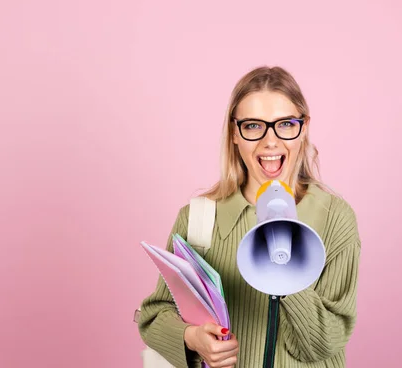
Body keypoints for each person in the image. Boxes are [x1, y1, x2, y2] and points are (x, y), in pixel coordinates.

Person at [138, 66, 361, 368]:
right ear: (234, 133)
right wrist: (192, 338)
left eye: (285, 124)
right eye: (254, 126)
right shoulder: (200, 217)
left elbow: (324, 343)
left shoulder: (334, 218)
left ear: (304, 127)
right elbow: (154, 315)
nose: (270, 141)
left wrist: (286, 273)